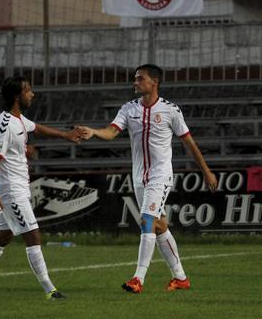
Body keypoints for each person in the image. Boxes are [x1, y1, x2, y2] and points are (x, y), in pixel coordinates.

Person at [77, 64, 218, 293]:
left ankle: (138, 278)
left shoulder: (171, 110)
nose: (135, 82)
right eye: (135, 79)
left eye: (140, 79)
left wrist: (206, 171)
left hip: (160, 175)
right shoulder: (128, 109)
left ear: (154, 82)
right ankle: (181, 278)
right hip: (139, 177)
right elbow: (112, 132)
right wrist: (94, 132)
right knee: (160, 225)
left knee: (146, 221)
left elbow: (189, 143)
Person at [0, 76, 82, 300]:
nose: (33, 94)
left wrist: (65, 135)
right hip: (10, 191)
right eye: (28, 90)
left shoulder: (19, 120)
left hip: (18, 188)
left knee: (2, 238)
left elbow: (37, 128)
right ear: (17, 96)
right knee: (33, 234)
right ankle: (50, 290)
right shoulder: (4, 125)